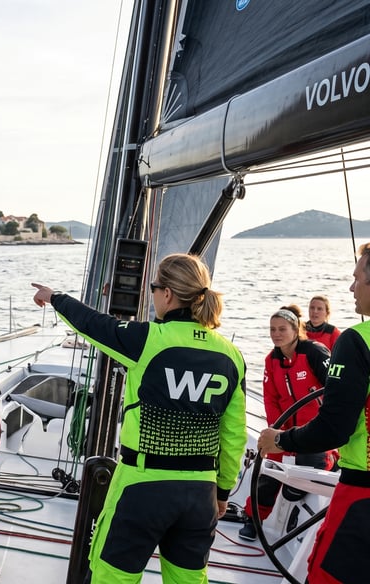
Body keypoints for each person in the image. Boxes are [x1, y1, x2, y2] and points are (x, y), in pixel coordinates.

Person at [32, 252, 247, 584]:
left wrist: (54, 297)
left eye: (154, 288)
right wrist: (222, 492)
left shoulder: (148, 339)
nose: (153, 295)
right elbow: (234, 435)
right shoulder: (231, 355)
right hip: (200, 493)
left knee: (113, 579)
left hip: (143, 488)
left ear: (168, 294)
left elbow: (92, 323)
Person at [258, 243, 370, 584]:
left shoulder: (356, 341)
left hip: (361, 495)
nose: (351, 287)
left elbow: (334, 427)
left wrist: (280, 440)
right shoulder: (273, 361)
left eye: (357, 279)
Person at [238, 304, 333, 541]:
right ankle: (253, 519)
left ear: (295, 329)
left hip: (314, 432)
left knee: (295, 491)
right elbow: (270, 398)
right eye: (272, 329)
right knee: (269, 469)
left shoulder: (314, 352)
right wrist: (276, 433)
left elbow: (335, 391)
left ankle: (331, 459)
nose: (276, 334)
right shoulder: (271, 360)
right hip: (285, 431)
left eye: (282, 329)